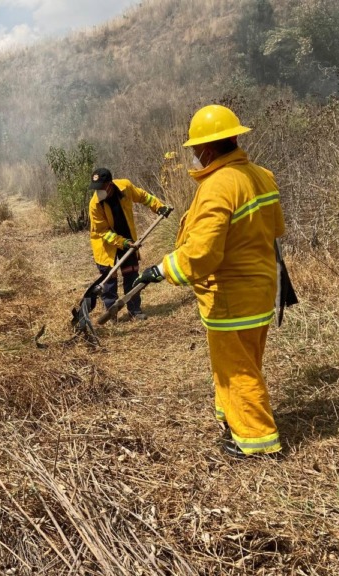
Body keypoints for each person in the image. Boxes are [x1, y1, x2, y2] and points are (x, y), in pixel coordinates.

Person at [135, 104, 285, 459]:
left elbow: (201, 254)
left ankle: (258, 442)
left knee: (238, 371)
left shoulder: (219, 186)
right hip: (262, 290)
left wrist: (162, 269)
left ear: (206, 149)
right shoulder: (262, 175)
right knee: (242, 363)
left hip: (231, 298)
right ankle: (232, 422)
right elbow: (275, 228)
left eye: (195, 150)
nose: (194, 156)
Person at [88, 168, 171, 320]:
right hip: (105, 243)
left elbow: (144, 197)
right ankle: (111, 313)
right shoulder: (95, 204)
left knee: (131, 273)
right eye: (96, 188)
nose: (98, 191)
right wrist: (123, 242)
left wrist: (159, 207)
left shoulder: (125, 187)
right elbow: (102, 231)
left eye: (101, 187)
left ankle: (135, 310)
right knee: (109, 278)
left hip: (127, 237)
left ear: (109, 184)